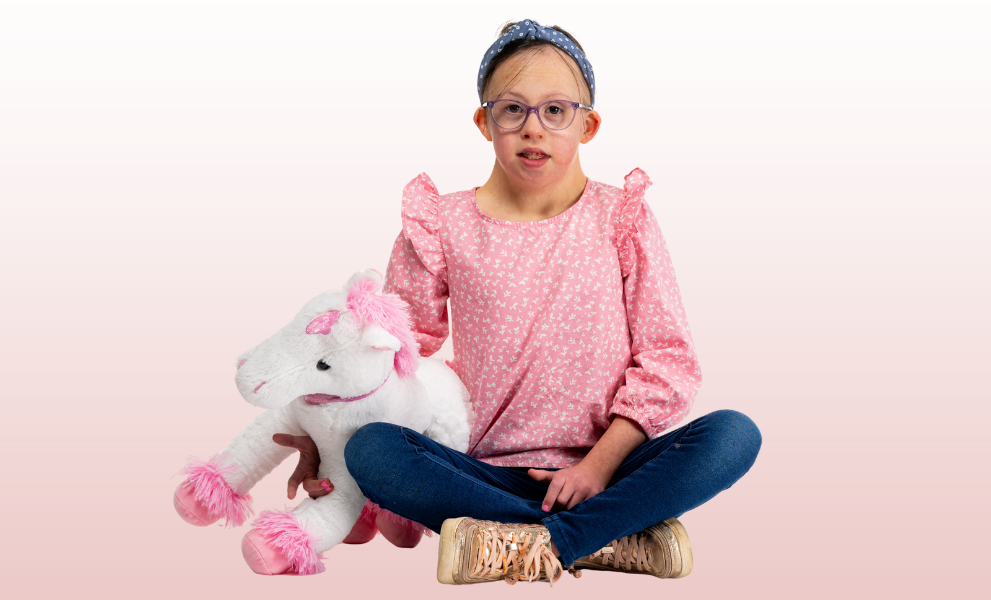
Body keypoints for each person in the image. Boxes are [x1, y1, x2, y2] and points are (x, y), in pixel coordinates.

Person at [271, 19, 762, 585]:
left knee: (733, 434)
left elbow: (668, 358)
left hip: (614, 466)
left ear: (588, 123)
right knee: (374, 450)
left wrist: (598, 468)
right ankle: (604, 537)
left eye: (556, 110)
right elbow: (388, 355)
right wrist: (324, 434)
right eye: (513, 110)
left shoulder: (619, 217)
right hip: (486, 474)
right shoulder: (442, 224)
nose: (535, 129)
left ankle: (533, 540)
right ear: (484, 121)